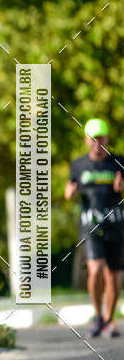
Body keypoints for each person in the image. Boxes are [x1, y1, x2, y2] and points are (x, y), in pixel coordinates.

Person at [66, 118, 124, 338]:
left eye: (100, 138)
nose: (96, 142)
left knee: (113, 275)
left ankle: (109, 320)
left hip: (116, 225)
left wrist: (122, 188)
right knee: (96, 269)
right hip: (90, 226)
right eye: (92, 138)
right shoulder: (78, 165)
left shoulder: (118, 162)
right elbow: (69, 188)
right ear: (86, 140)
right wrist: (69, 193)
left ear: (106, 138)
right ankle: (98, 315)